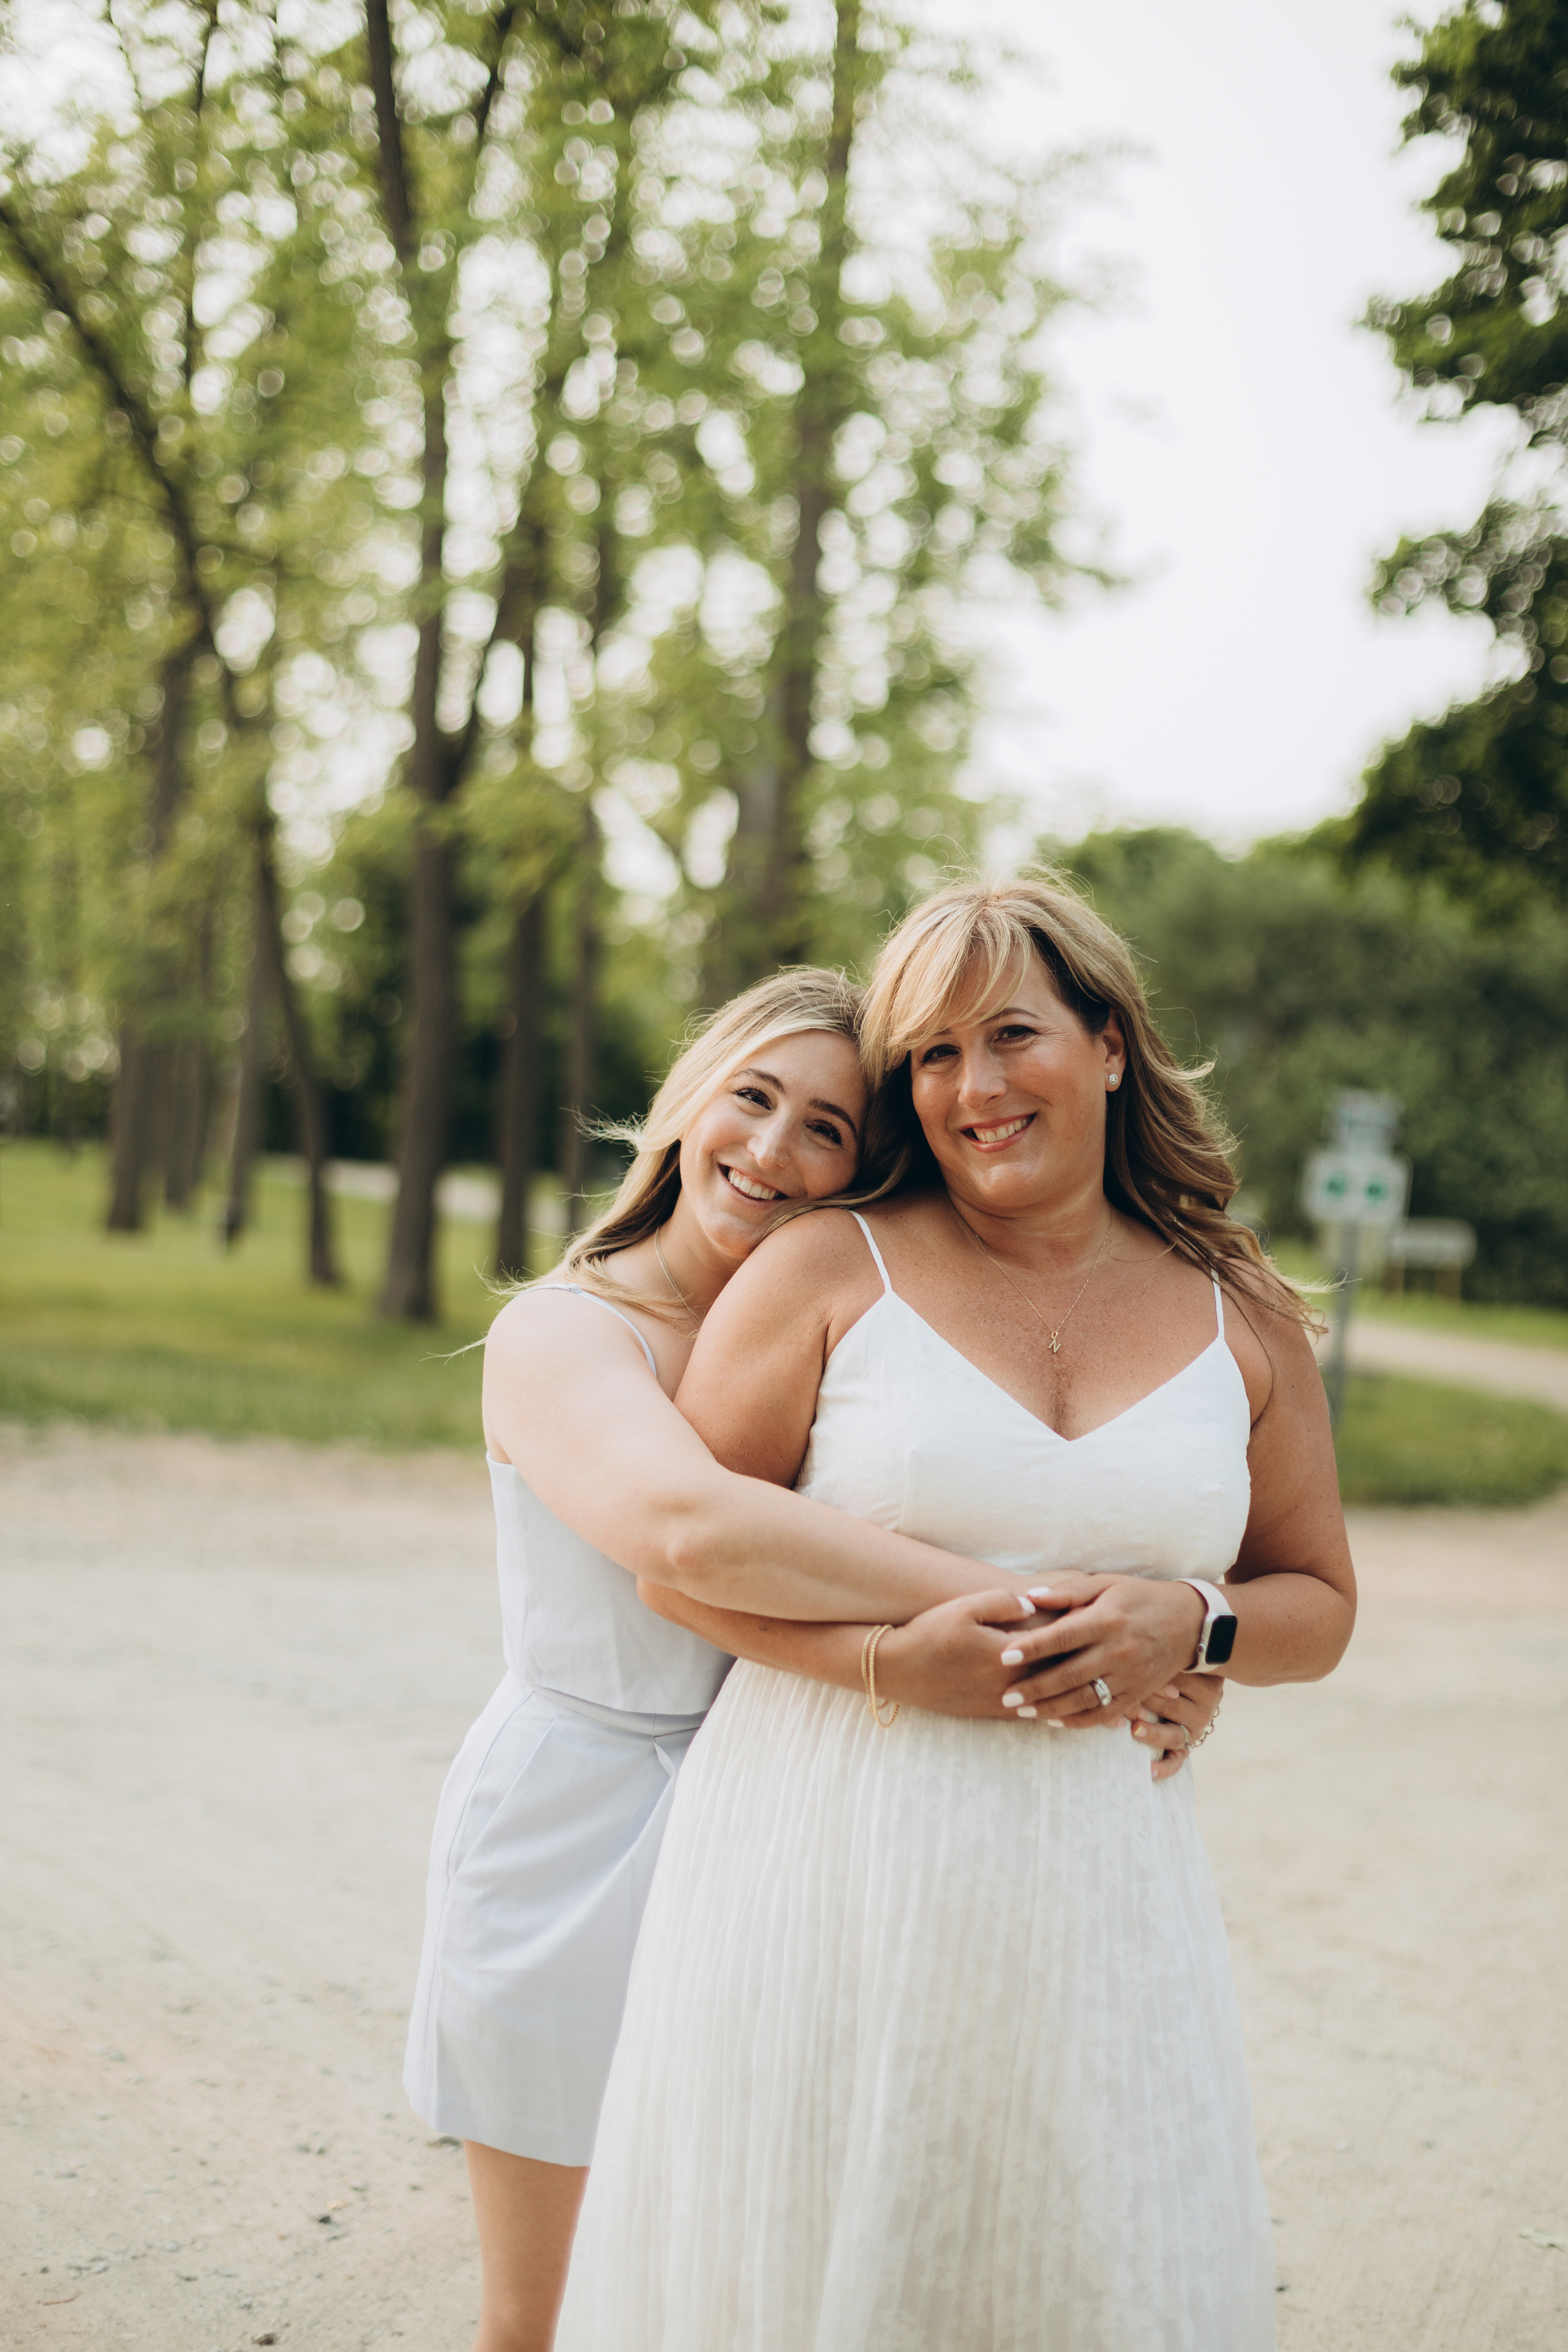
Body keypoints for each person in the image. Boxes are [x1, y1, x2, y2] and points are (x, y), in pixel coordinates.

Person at [556, 876, 1357, 2352]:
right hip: (824, 1841)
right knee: (805, 2268)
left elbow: (1315, 1600)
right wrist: (877, 1663)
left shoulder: (1235, 1309)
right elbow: (680, 1562)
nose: (973, 1089)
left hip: (1099, 1878)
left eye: (1008, 1035)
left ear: (1109, 1043)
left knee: (1086, 2261)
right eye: (929, 1055)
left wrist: (1193, 1624)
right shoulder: (821, 1268)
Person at [403, 964, 1217, 2352]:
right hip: (574, 1823)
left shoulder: (838, 1333)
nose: (774, 1153)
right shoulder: (564, 1329)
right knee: (542, 2316)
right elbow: (688, 1527)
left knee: (736, 2280)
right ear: (683, 1108)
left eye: (828, 1130)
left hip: (780, 1828)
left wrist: (1157, 1628)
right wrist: (1066, 1626)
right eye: (752, 1100)